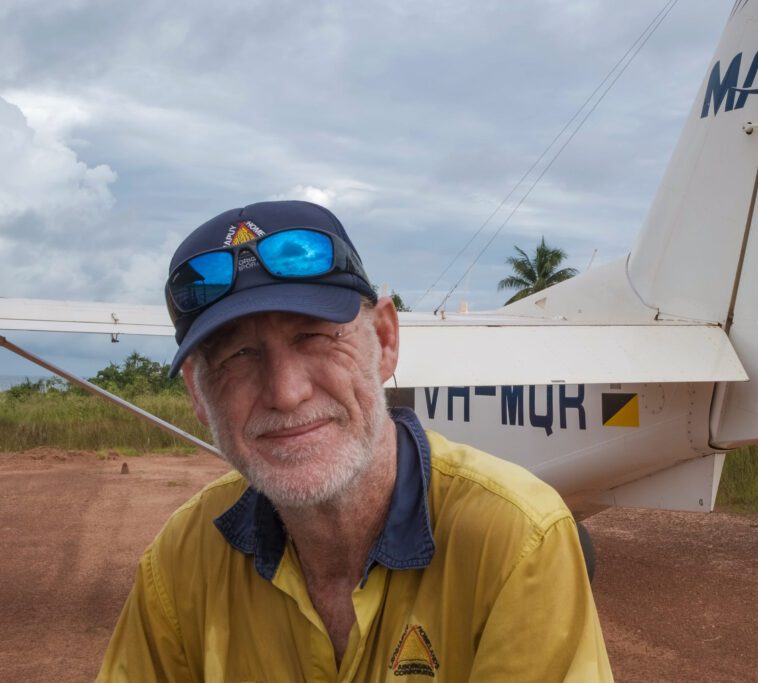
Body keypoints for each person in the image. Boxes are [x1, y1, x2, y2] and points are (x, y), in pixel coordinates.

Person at [98, 200, 612, 681]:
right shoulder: (183, 559)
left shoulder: (516, 539)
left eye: (315, 337)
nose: (286, 392)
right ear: (197, 391)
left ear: (385, 341)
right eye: (238, 356)